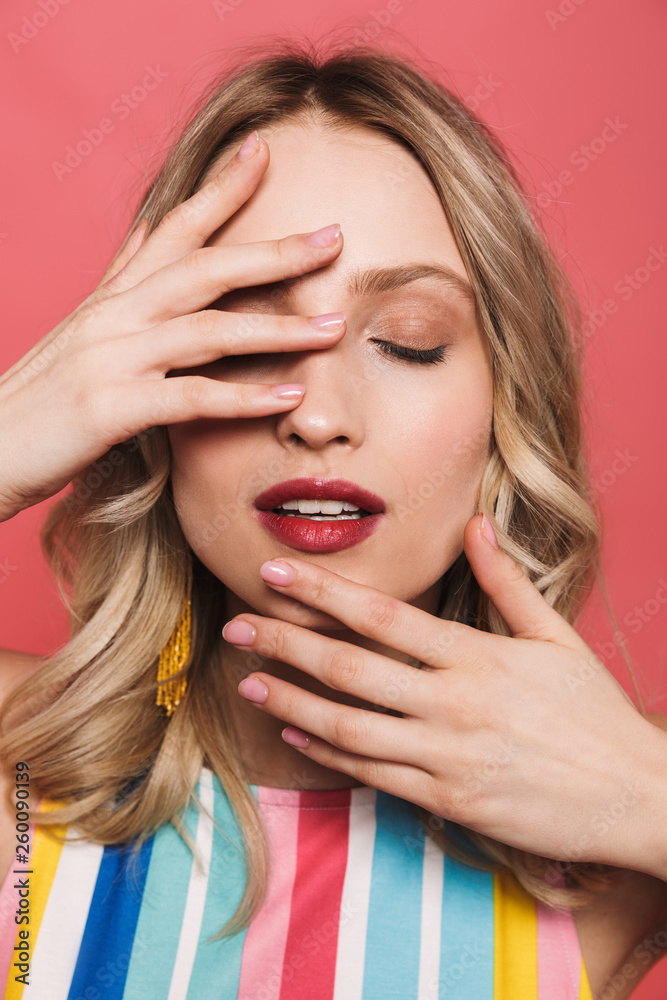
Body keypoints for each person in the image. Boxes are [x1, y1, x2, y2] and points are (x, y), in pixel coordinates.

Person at [1, 38, 666, 999]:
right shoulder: (22, 774)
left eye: (407, 342)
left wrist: (645, 795)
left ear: (504, 408)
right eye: (242, 337)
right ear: (147, 397)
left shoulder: (614, 811)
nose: (316, 414)